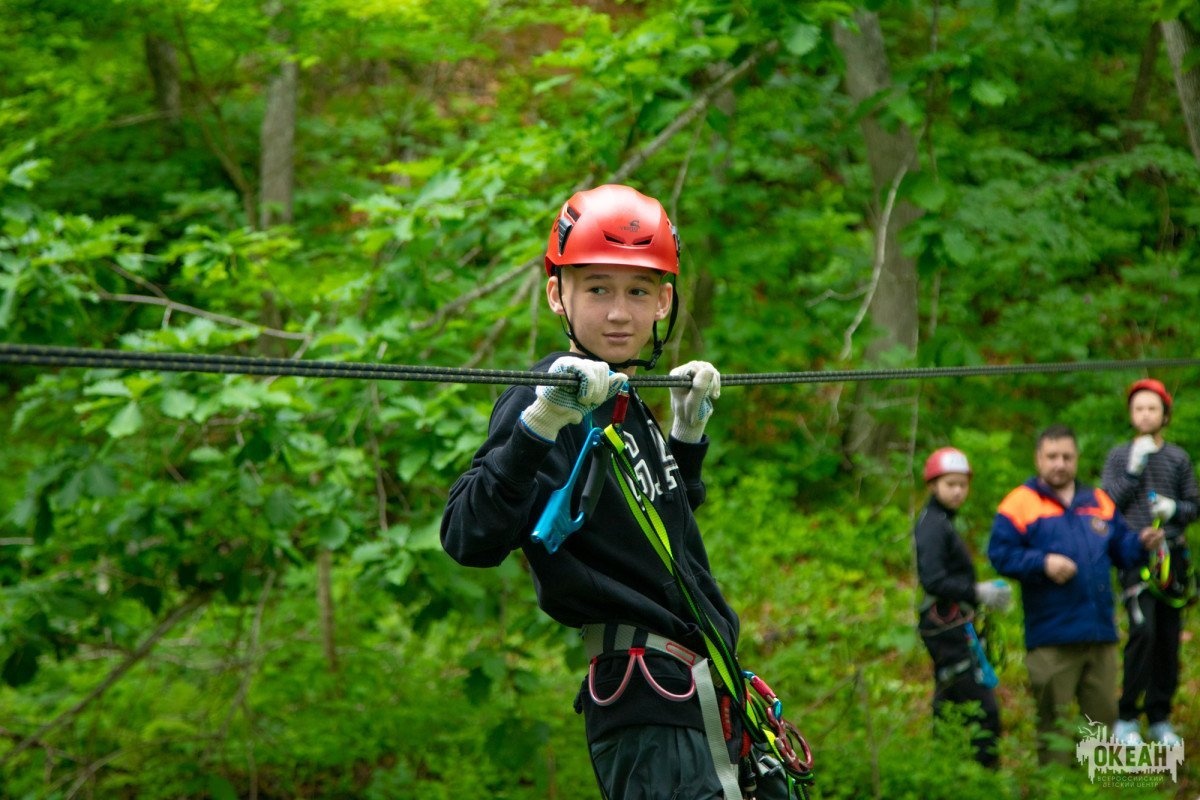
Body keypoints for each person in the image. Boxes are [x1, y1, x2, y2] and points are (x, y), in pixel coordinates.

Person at [441, 185, 806, 800]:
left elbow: (661, 541)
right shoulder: (548, 395)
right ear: (557, 294)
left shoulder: (623, 400)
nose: (618, 313)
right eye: (597, 289)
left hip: (696, 690)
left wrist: (686, 436)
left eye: (638, 291)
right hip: (647, 703)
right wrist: (539, 425)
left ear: (664, 301)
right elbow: (466, 536)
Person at [987, 424, 1162, 766]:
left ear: (1076, 459)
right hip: (1051, 637)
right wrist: (1042, 563)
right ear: (1038, 459)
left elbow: (1121, 548)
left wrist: (1141, 543)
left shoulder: (1097, 501)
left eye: (1067, 457)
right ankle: (1054, 784)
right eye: (1052, 456)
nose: (1060, 464)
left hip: (1099, 635)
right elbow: (1000, 554)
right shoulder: (1020, 503)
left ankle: (1091, 784)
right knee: (1054, 726)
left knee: (1101, 723)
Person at [1101, 379, 1199, 748]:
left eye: (1152, 409)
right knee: (1143, 632)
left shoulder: (1177, 458)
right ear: (1130, 415)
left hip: (1172, 558)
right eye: (1139, 409)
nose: (1145, 415)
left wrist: (1174, 510)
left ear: (1165, 415)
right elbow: (1106, 504)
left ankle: (1159, 716)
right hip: (1134, 557)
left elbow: (1194, 506)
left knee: (1168, 638)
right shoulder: (1118, 456)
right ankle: (1127, 715)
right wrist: (1132, 469)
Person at [913, 447, 1012, 768]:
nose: (957, 491)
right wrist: (976, 592)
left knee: (949, 700)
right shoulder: (932, 525)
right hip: (946, 629)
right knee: (984, 709)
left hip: (951, 626)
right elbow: (933, 580)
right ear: (933, 485)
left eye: (962, 485)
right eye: (950, 484)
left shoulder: (941, 521)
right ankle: (985, 775)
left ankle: (944, 768)